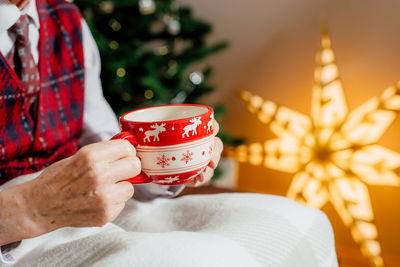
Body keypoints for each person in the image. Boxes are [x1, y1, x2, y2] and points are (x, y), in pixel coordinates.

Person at [0, 0, 223, 259]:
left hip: (82, 220)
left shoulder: (68, 20)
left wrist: (171, 164)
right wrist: (29, 208)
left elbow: (104, 138)